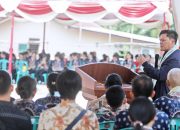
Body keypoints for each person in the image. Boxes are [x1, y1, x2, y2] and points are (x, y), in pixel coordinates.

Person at [137, 30, 180, 99]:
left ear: (172, 41)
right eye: (160, 40)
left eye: (163, 40)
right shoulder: (170, 53)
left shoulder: (175, 57)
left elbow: (161, 75)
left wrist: (145, 64)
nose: (161, 43)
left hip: (166, 96)